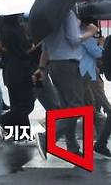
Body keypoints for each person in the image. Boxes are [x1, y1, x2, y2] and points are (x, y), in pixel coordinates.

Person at [34, 10, 97, 159]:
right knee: (76, 107)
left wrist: (42, 68)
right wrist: (90, 32)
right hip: (68, 64)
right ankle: (47, 137)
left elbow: (45, 48)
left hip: (55, 65)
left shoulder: (50, 16)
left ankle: (72, 146)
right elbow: (74, 40)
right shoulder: (67, 13)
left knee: (67, 108)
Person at [0, 15, 36, 141]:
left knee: (17, 104)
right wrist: (34, 45)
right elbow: (25, 49)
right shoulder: (16, 30)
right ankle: (1, 121)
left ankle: (22, 135)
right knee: (26, 105)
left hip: (9, 71)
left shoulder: (2, 30)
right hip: (20, 71)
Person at [76, 18, 111, 158]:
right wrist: (101, 43)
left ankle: (100, 139)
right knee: (99, 104)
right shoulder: (87, 36)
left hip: (85, 73)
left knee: (91, 106)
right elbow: (98, 53)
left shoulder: (80, 35)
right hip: (89, 74)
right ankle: (101, 138)